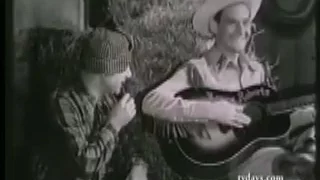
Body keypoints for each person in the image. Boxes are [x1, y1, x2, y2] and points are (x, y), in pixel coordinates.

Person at [141, 0, 315, 179]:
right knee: (293, 169)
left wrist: (308, 113)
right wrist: (212, 110)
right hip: (226, 168)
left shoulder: (257, 70)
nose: (242, 31)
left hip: (261, 154)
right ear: (215, 26)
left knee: (305, 160)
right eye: (232, 22)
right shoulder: (199, 69)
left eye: (246, 22)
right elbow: (150, 102)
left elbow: (268, 120)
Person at [31, 28, 148, 180]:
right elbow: (84, 166)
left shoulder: (108, 98)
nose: (129, 73)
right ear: (106, 70)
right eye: (123, 66)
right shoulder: (63, 103)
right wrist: (114, 124)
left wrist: (137, 166)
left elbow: (129, 144)